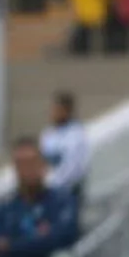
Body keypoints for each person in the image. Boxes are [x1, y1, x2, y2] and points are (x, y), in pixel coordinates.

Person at [38, 91, 90, 228]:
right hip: (48, 191)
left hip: (68, 191)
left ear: (67, 111)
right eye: (53, 109)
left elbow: (74, 167)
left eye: (58, 110)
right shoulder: (47, 134)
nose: (54, 113)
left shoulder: (77, 134)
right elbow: (44, 162)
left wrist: (57, 185)